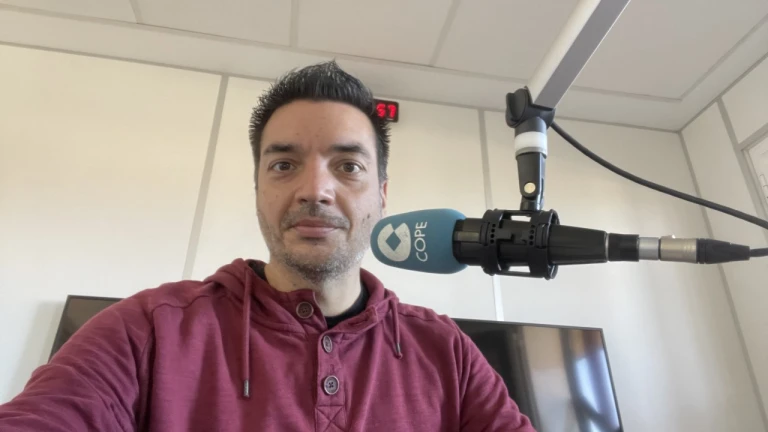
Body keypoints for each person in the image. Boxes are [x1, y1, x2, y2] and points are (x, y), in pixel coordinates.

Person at [0, 61, 535, 432]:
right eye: (284, 164)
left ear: (382, 195)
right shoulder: (146, 329)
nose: (314, 190)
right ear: (259, 188)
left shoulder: (447, 351)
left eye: (348, 166)